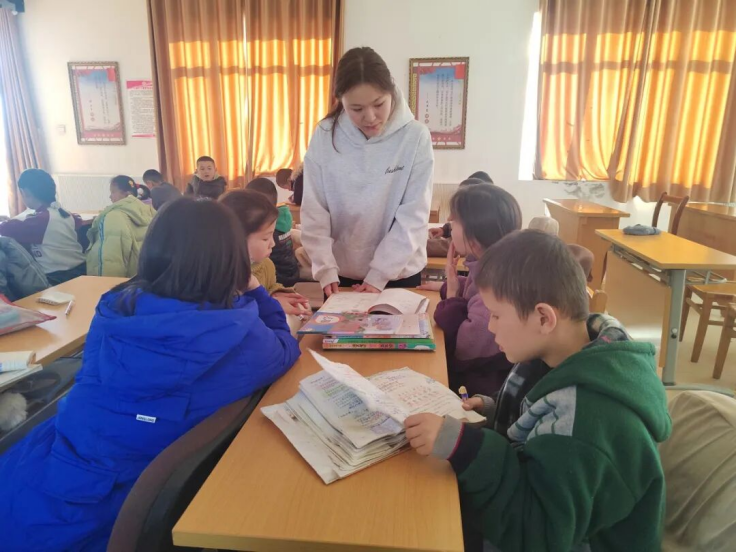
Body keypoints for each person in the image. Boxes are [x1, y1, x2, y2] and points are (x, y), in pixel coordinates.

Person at [0, 198, 300, 551]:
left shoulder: (115, 306)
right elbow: (286, 348)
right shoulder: (239, 331)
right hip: (117, 505)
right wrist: (255, 291)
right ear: (231, 258)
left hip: (55, 461)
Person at [405, 230, 671, 552]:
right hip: (544, 517)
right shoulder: (563, 353)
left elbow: (535, 534)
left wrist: (466, 447)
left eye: (496, 315)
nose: (489, 326)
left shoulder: (587, 420)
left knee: (421, 525)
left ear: (544, 318)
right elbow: (542, 411)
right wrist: (493, 408)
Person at [302, 46, 434, 296]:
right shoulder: (325, 134)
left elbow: (413, 216)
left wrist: (379, 275)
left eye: (378, 104)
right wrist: (324, 267)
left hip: (398, 272)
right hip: (339, 272)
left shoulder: (415, 136)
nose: (370, 117)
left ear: (391, 91)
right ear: (341, 100)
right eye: (357, 109)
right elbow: (314, 208)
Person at [434, 183, 521, 397]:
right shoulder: (492, 264)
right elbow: (471, 292)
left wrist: (451, 295)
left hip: (480, 391)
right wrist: (449, 284)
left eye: (454, 221)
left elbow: (463, 350)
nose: (449, 224)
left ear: (473, 238)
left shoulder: (495, 286)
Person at [220, 190, 310, 320]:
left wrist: (277, 293)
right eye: (265, 238)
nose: (272, 244)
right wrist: (271, 304)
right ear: (237, 239)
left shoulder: (266, 265)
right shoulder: (224, 275)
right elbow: (236, 314)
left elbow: (271, 286)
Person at [0, 169, 85, 285]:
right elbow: (77, 221)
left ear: (25, 192)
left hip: (57, 277)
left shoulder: (40, 221)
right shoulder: (63, 213)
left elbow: (5, 229)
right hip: (81, 269)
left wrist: (5, 221)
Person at [86, 175, 156, 277]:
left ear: (126, 194)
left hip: (124, 283)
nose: (110, 196)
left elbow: (111, 262)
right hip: (144, 278)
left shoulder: (114, 217)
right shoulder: (150, 212)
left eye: (113, 192)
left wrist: (105, 285)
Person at [246, 177, 301, 287]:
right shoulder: (283, 218)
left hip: (279, 277)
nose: (272, 243)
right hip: (293, 272)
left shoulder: (264, 226)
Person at [426, 175, 491, 258]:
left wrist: (419, 245)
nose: (449, 218)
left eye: (456, 218)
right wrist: (444, 230)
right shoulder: (483, 224)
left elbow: (449, 246)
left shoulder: (476, 239)